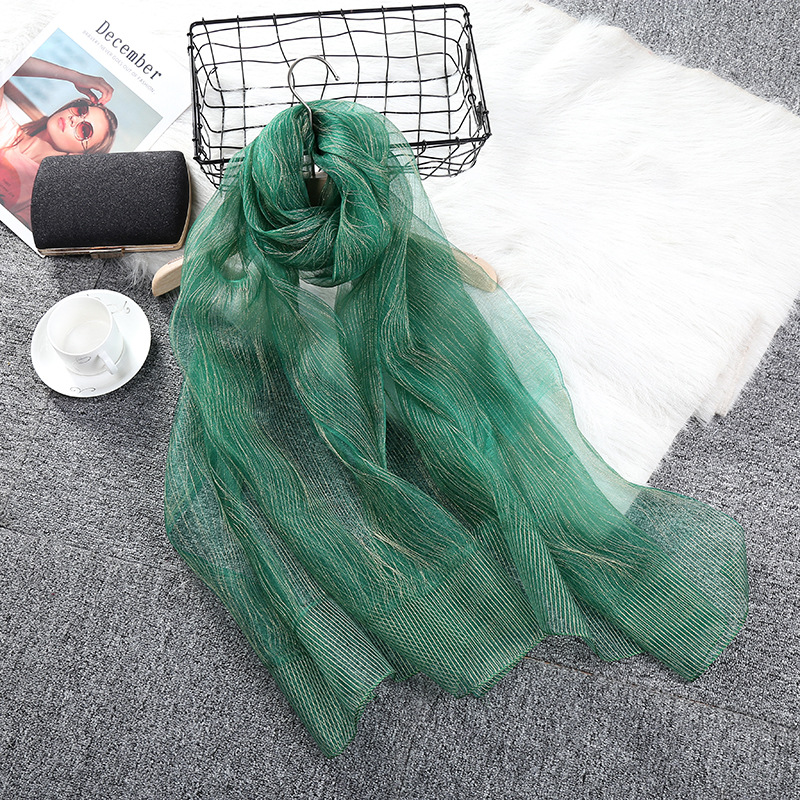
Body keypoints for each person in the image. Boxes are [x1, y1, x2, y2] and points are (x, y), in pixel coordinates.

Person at [0, 57, 118, 227]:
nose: (74, 119)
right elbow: (4, 59)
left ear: (79, 154)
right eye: (80, 110)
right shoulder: (6, 130)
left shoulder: (44, 193)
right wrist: (75, 77)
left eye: (84, 130)